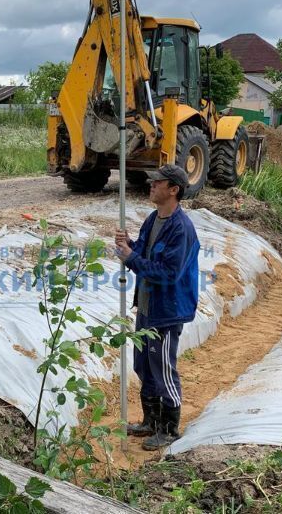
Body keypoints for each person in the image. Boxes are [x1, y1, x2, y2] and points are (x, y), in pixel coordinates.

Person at [114, 164, 200, 450]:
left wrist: (131, 259)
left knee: (162, 367)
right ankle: (150, 420)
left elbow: (168, 273)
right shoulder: (154, 219)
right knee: (143, 365)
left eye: (157, 182)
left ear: (173, 189)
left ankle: (169, 428)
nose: (151, 185)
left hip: (167, 311)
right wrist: (130, 246)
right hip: (148, 307)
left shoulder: (181, 229)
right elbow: (144, 251)